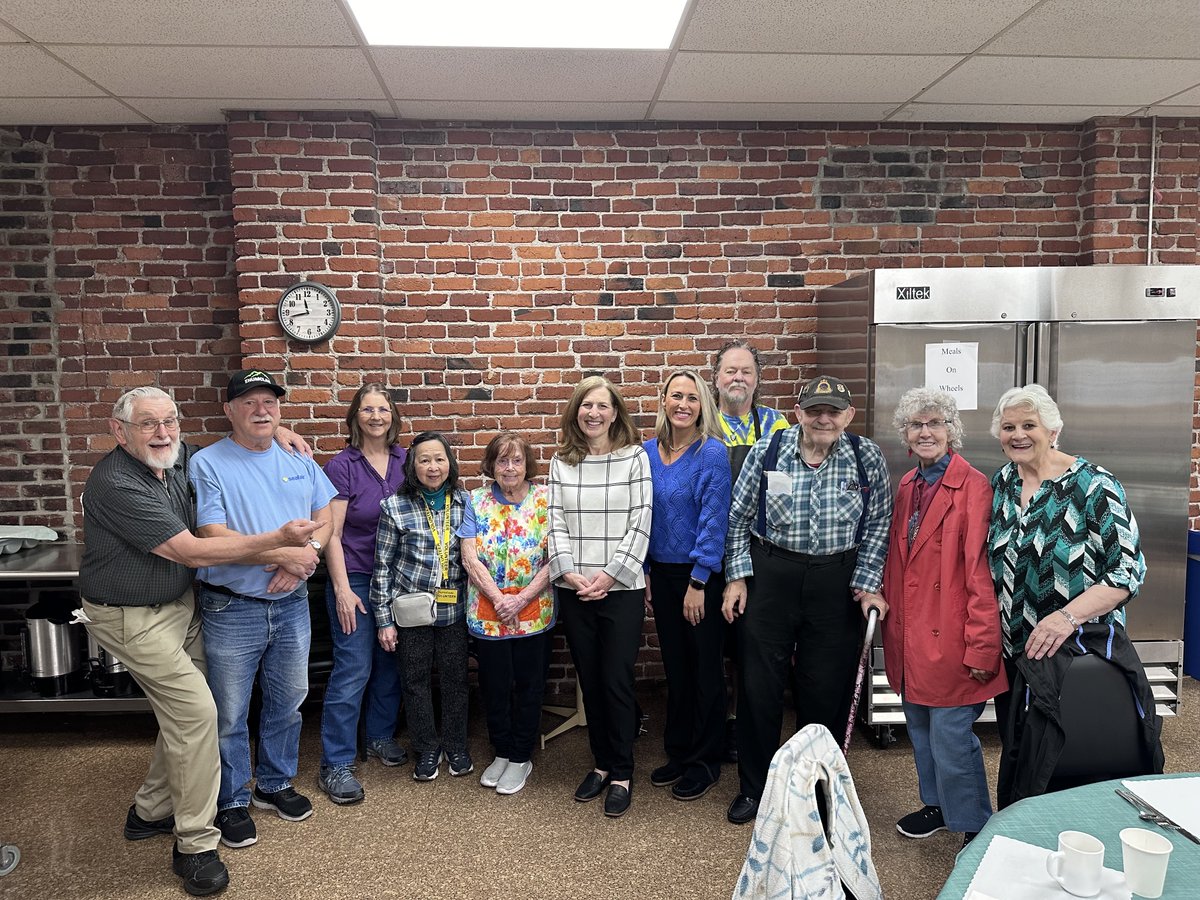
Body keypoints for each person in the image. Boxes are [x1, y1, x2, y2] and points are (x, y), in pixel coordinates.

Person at [80, 385, 319, 896]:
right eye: (148, 424)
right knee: (197, 716)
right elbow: (192, 552)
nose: (162, 432)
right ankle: (194, 843)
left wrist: (277, 431)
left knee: (189, 716)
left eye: (169, 421)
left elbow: (245, 436)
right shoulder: (117, 483)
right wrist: (280, 546)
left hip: (178, 609)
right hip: (130, 618)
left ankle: (149, 811)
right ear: (119, 431)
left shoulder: (173, 456)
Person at [721, 374, 892, 826]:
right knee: (760, 688)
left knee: (824, 691)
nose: (823, 418)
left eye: (833, 411)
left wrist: (867, 582)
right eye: (814, 410)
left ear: (848, 416)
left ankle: (817, 789)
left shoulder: (865, 456)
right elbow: (737, 519)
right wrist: (736, 578)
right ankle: (755, 790)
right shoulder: (769, 451)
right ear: (798, 413)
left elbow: (878, 526)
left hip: (836, 584)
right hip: (771, 576)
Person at [190, 370, 336, 850]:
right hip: (232, 607)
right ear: (230, 410)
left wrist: (305, 559)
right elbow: (210, 536)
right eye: (249, 402)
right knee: (229, 711)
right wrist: (281, 555)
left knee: (288, 701)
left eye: (269, 401)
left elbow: (328, 515)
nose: (261, 410)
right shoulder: (208, 463)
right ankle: (231, 800)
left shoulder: (297, 456)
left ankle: (274, 784)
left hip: (291, 602)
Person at [986, 385, 1148, 800]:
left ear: (1053, 431)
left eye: (1029, 425)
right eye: (1008, 427)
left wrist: (1066, 617)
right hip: (1018, 655)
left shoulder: (1094, 486)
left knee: (1072, 763)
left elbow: (1127, 570)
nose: (1017, 435)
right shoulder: (1003, 482)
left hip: (1077, 655)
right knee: (1024, 757)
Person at [879, 388, 1007, 849]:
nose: (926, 432)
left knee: (952, 736)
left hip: (952, 636)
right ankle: (936, 804)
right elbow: (900, 562)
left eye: (935, 423)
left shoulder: (973, 486)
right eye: (917, 425)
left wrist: (982, 645)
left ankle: (975, 823)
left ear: (952, 431)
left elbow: (978, 571)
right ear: (906, 437)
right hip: (912, 635)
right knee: (920, 730)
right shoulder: (908, 485)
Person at [547, 375, 652, 818]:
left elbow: (641, 520)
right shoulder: (561, 462)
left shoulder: (635, 458)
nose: (594, 413)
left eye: (602, 406)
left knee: (615, 678)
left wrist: (608, 576)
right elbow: (555, 524)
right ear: (576, 411)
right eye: (586, 405)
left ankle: (623, 771)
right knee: (589, 678)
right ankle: (601, 764)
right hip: (575, 589)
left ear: (615, 413)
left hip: (621, 588)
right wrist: (570, 574)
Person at [317, 383, 407, 805]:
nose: (376, 416)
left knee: (391, 662)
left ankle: (380, 736)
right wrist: (339, 589)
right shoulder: (342, 466)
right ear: (355, 417)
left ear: (393, 416)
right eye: (367, 409)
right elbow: (330, 533)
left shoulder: (406, 460)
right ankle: (335, 762)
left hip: (399, 581)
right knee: (353, 667)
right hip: (354, 576)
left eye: (383, 409)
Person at [644, 368, 732, 802]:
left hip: (699, 578)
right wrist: (642, 570)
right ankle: (678, 752)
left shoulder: (711, 453)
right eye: (676, 396)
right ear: (663, 401)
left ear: (703, 406)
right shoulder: (645, 453)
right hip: (659, 574)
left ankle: (704, 761)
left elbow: (715, 521)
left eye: (692, 398)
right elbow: (640, 517)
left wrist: (698, 581)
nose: (683, 404)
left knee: (704, 671)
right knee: (675, 669)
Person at [371, 432, 473, 782]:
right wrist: (384, 620)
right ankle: (427, 748)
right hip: (411, 611)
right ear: (413, 465)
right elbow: (382, 567)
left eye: (440, 459)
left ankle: (456, 744)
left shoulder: (464, 502)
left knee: (456, 680)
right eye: (425, 460)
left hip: (454, 609)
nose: (433, 467)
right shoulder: (394, 507)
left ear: (450, 463)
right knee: (414, 681)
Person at [459, 432, 554, 796]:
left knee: (529, 686)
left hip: (534, 609)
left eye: (516, 460)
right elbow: (469, 556)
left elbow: (554, 557)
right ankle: (501, 751)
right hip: (488, 612)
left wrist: (519, 599)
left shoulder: (546, 499)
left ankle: (521, 756)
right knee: (495, 686)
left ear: (527, 464)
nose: (509, 467)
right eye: (502, 460)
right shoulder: (476, 500)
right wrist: (500, 599)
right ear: (492, 465)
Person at [711, 340, 788, 762]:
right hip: (705, 550)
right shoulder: (702, 424)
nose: (738, 378)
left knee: (750, 646)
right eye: (730, 371)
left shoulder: (777, 425)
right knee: (712, 643)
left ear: (757, 380)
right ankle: (715, 721)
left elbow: (786, 487)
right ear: (716, 378)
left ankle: (744, 723)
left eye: (746, 372)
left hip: (757, 552)